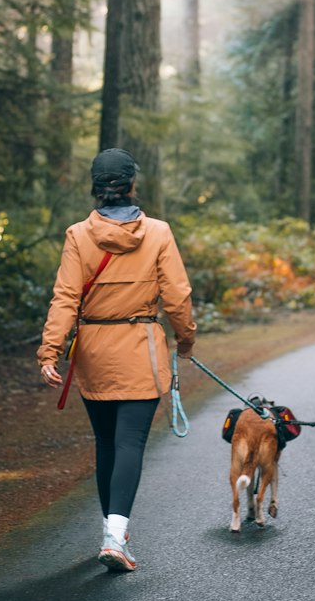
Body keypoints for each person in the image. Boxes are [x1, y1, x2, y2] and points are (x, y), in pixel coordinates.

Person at [37, 148, 196, 572]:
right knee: (129, 444)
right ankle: (115, 535)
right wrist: (186, 340)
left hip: (93, 351)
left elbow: (66, 298)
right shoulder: (159, 232)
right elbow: (177, 296)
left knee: (107, 443)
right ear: (132, 185)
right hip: (140, 348)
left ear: (95, 186)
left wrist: (50, 349)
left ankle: (112, 532)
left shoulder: (77, 235)